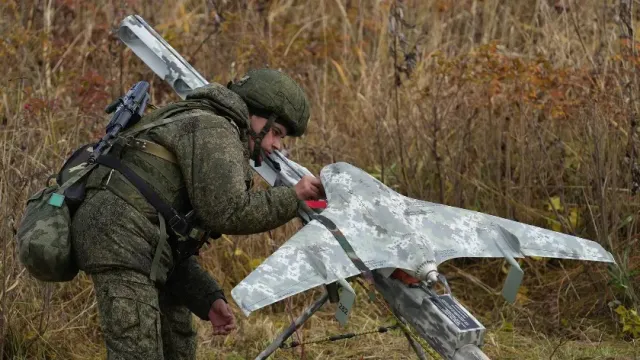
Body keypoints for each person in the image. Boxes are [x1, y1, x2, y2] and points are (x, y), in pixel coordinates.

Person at [70, 68, 324, 360]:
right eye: (277, 133)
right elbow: (229, 212)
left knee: (178, 342)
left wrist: (207, 297)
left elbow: (171, 230)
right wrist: (293, 197)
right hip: (118, 239)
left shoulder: (209, 122)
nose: (277, 146)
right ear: (256, 115)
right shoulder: (215, 130)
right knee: (137, 349)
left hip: (141, 241)